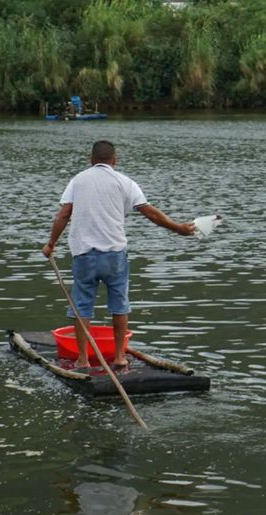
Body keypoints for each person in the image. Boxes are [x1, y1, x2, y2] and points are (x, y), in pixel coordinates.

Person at [42, 140, 195, 369]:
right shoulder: (125, 182)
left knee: (82, 306)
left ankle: (82, 359)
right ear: (114, 160)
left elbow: (63, 215)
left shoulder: (78, 180)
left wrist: (51, 244)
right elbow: (150, 213)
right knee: (120, 304)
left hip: (84, 254)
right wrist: (178, 228)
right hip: (114, 255)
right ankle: (118, 357)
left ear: (91, 160)